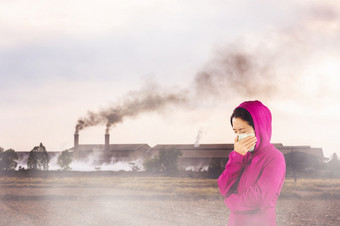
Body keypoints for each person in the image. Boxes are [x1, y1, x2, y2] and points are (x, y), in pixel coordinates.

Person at [217, 100, 286, 226]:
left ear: (259, 128)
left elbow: (259, 198)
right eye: (235, 132)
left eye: (243, 131)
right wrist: (236, 157)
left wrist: (230, 201)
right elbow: (224, 187)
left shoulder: (275, 158)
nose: (239, 137)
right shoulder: (242, 154)